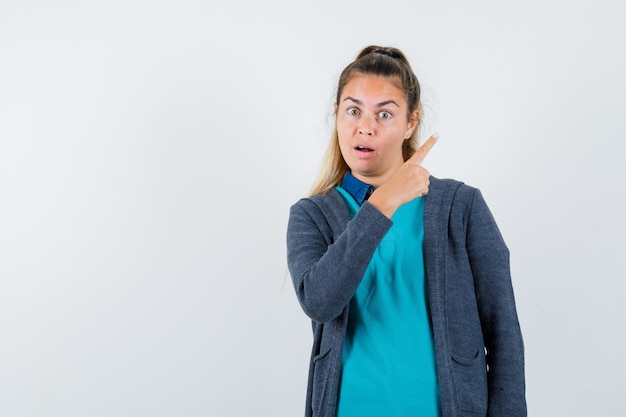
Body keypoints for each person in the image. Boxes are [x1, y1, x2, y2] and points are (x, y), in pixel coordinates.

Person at [286, 45, 526, 417]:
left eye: (385, 114)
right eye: (353, 111)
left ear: (410, 123)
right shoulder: (312, 215)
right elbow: (319, 302)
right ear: (337, 116)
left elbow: (504, 333)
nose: (365, 126)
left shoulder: (462, 207)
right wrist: (382, 203)